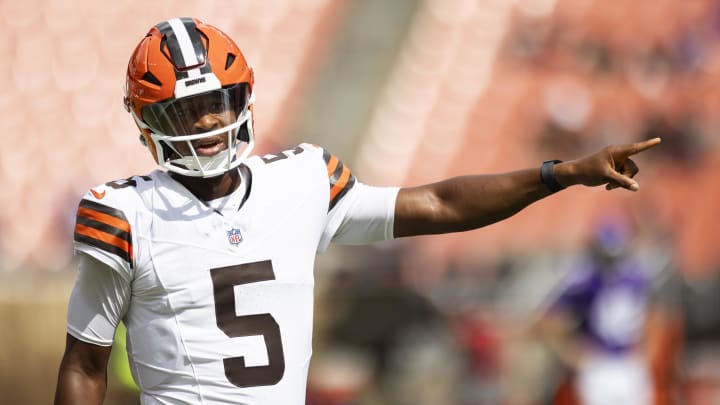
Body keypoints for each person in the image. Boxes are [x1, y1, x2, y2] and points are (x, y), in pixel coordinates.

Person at [53, 17, 661, 405]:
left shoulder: (299, 181)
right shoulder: (126, 214)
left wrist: (561, 173)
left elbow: (440, 203)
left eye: (215, 103)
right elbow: (84, 365)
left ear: (242, 98)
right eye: (184, 113)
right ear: (147, 124)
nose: (207, 123)